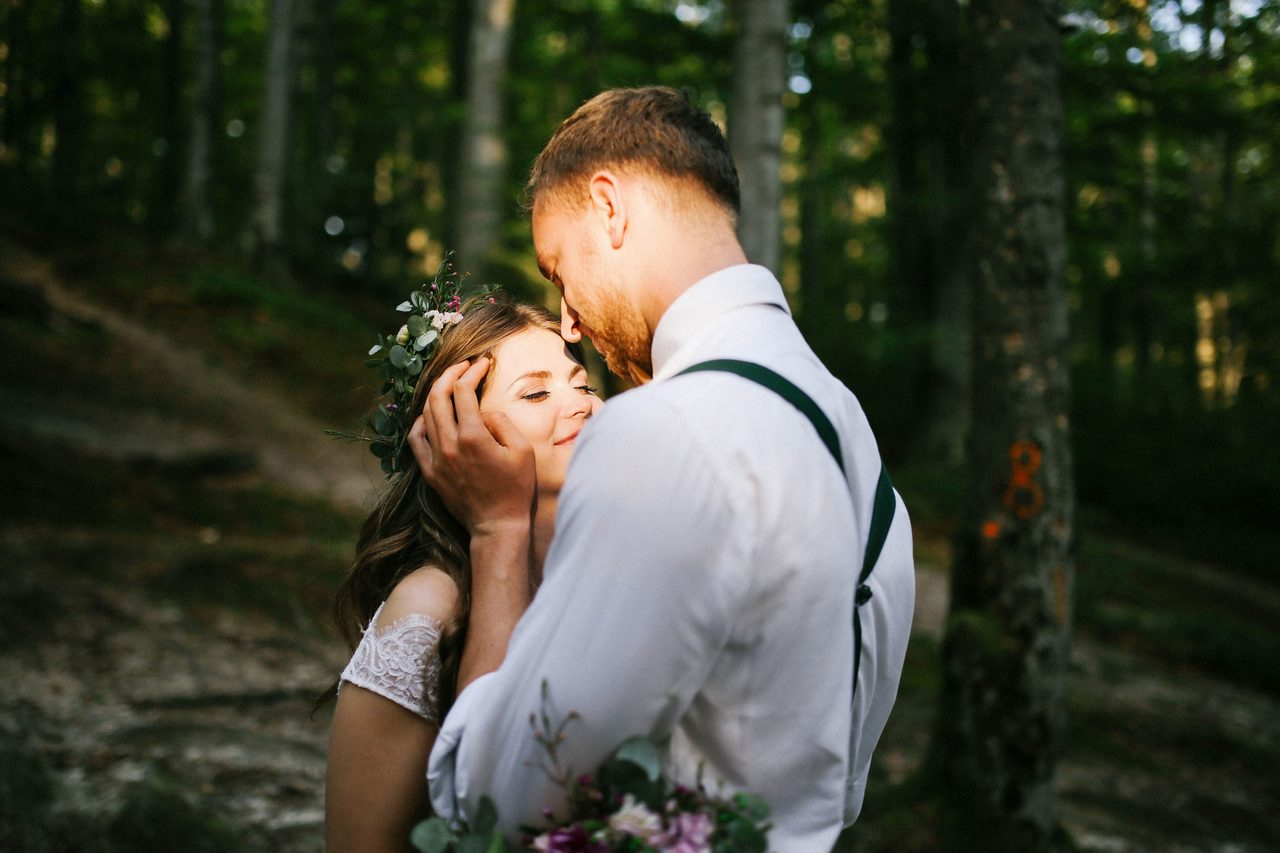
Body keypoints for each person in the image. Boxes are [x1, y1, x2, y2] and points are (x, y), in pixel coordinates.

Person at [412, 86, 916, 850]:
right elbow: (836, 787)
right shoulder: (851, 434)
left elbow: (500, 795)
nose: (571, 322)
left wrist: (495, 529)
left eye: (558, 270)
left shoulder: (664, 432)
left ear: (610, 208)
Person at [322, 298, 602, 853]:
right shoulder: (427, 609)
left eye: (583, 384)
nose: (581, 405)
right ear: (454, 436)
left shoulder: (614, 571)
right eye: (536, 393)